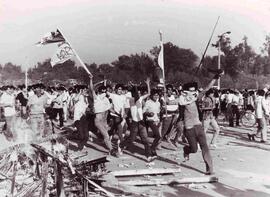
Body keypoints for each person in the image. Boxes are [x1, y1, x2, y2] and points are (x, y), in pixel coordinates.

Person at [174, 72, 222, 175]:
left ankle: (210, 169)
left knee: (205, 147)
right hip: (189, 127)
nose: (193, 92)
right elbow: (170, 102)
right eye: (190, 91)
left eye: (194, 90)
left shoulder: (197, 97)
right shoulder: (182, 100)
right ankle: (187, 150)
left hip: (198, 125)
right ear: (185, 91)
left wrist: (214, 78)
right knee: (194, 149)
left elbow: (206, 88)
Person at [120, 78, 154, 161]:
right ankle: (121, 146)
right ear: (134, 95)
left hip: (141, 122)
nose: (139, 95)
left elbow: (149, 93)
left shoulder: (140, 98)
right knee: (131, 139)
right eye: (137, 94)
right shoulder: (131, 100)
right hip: (135, 122)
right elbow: (124, 95)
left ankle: (148, 156)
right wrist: (128, 87)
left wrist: (148, 84)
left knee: (145, 139)